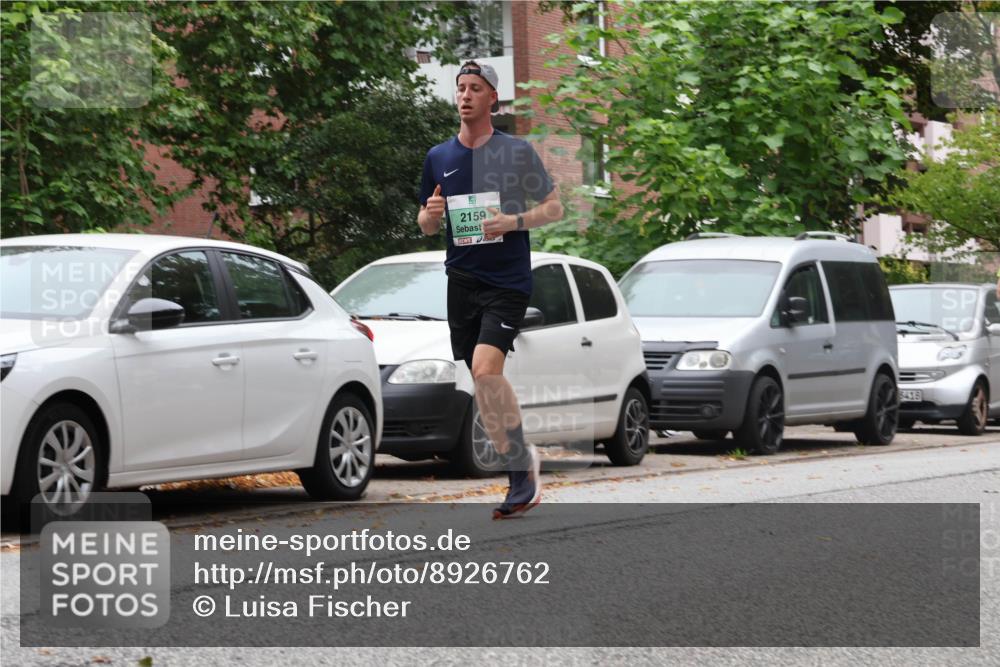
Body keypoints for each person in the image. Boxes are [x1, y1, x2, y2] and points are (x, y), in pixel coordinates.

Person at [417, 61, 564, 519]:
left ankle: (520, 473)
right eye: (460, 88)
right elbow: (425, 224)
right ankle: (521, 462)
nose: (465, 95)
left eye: (475, 89)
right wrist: (431, 215)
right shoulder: (438, 156)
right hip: (461, 283)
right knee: (484, 383)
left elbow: (554, 208)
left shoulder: (515, 152)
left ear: (492, 98)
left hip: (506, 282)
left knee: (485, 369)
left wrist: (512, 222)